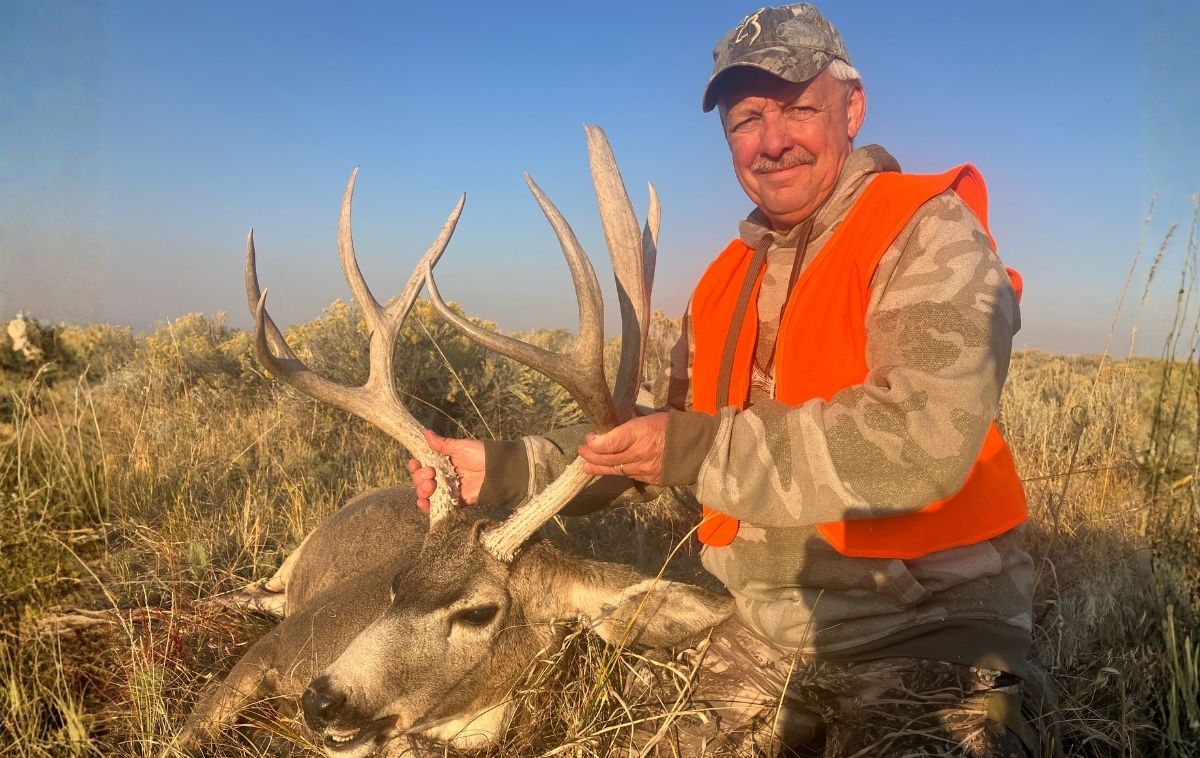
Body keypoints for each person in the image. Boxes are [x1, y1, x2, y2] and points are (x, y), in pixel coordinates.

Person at [410, 4, 1059, 755]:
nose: (773, 138)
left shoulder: (926, 230)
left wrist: (692, 449)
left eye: (798, 108)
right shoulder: (722, 282)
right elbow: (652, 431)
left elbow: (920, 436)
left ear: (852, 108)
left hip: (932, 634)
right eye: (748, 117)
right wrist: (506, 467)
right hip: (761, 633)